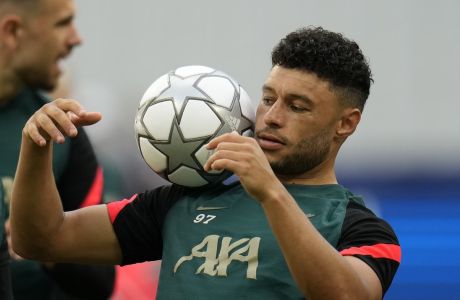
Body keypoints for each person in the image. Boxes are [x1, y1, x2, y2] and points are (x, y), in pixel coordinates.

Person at [11, 27, 401, 299]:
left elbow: (344, 295)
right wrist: (37, 147)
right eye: (268, 99)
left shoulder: (363, 230)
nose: (271, 117)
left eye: (297, 107)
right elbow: (41, 239)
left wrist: (271, 194)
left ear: (345, 124)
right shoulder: (184, 201)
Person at [0, 0, 115, 298]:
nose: (77, 39)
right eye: (63, 23)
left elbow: (100, 283)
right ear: (12, 31)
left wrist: (41, 239)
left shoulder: (59, 131)